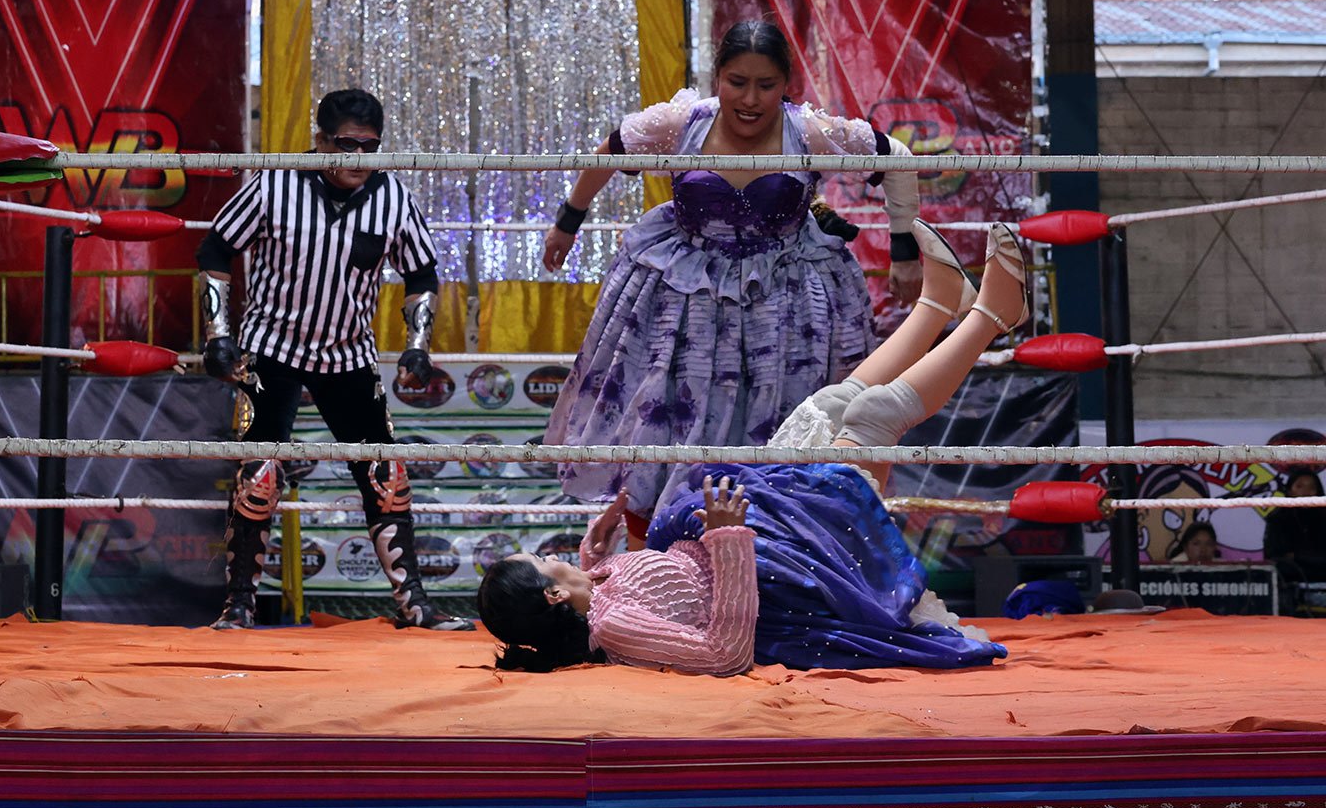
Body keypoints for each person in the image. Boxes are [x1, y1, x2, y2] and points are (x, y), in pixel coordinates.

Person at [478, 219, 1027, 675]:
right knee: (870, 418)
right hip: (790, 575)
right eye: (542, 560)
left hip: (766, 539)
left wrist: (593, 558)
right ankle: (992, 318)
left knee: (828, 407)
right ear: (552, 596)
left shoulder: (599, 595)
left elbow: (659, 591)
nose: (549, 553)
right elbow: (726, 653)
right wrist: (726, 536)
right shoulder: (614, 626)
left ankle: (936, 304)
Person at [541, 19, 923, 540]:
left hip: (786, 304)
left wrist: (905, 250)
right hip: (685, 296)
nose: (750, 98)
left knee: (788, 423)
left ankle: (778, 559)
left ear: (787, 84)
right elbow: (609, 151)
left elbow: (896, 158)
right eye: (736, 82)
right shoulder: (681, 125)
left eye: (765, 85)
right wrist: (567, 222)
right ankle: (650, 565)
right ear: (717, 76)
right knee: (669, 420)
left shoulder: (809, 132)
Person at [198, 88, 472, 632]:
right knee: (259, 474)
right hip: (272, 346)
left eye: (369, 148)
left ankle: (414, 605)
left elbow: (420, 273)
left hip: (349, 351)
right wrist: (217, 333)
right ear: (320, 140)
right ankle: (239, 605)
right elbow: (215, 248)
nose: (357, 159)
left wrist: (417, 342)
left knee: (385, 473)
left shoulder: (392, 197)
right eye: (346, 145)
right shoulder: (274, 184)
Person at [1263, 467, 1326, 589]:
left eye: (1312, 488)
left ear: (1318, 492)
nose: (1306, 492)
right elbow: (1274, 557)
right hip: (1288, 582)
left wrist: (1297, 557)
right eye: (1300, 487)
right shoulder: (1277, 518)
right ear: (1290, 491)